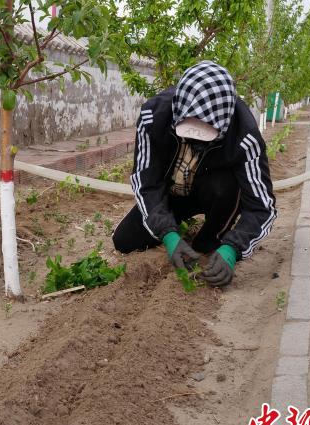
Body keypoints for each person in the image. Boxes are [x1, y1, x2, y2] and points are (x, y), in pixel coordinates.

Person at [113, 61, 277, 287]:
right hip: (172, 192)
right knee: (124, 240)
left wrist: (234, 247)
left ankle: (212, 238)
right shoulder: (154, 117)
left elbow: (261, 206)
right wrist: (168, 234)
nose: (195, 142)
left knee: (224, 188)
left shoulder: (244, 136)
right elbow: (146, 182)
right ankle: (175, 224)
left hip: (214, 193)